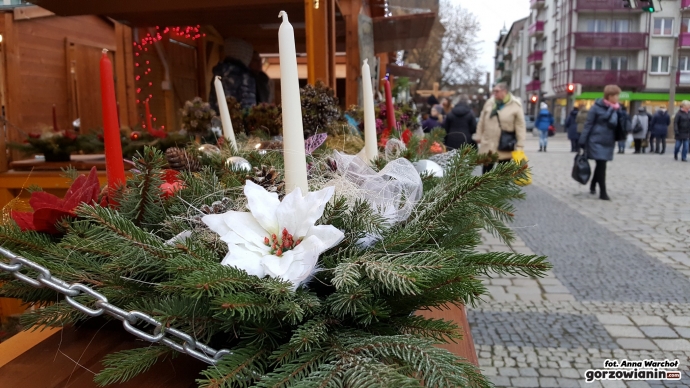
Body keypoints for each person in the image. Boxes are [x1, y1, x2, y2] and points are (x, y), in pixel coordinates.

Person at [579, 84, 628, 201]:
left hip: (608, 140)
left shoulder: (617, 108)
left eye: (618, 95)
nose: (617, 98)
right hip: (596, 140)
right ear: (609, 96)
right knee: (602, 165)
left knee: (601, 164)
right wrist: (582, 140)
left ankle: (593, 184)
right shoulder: (596, 108)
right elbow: (588, 125)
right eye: (616, 95)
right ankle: (603, 192)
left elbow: (619, 125)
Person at [474, 82, 526, 174]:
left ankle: (501, 188)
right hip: (488, 142)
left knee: (503, 172)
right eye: (494, 91)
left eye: (497, 91)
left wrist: (520, 144)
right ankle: (486, 188)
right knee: (486, 172)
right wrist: (478, 135)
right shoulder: (489, 103)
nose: (494, 93)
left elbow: (520, 125)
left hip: (504, 143)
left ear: (504, 91)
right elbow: (481, 120)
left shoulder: (515, 104)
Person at [208, 37, 257, 113]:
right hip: (238, 120)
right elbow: (248, 106)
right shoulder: (245, 76)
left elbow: (212, 101)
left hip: (218, 119)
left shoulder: (218, 74)